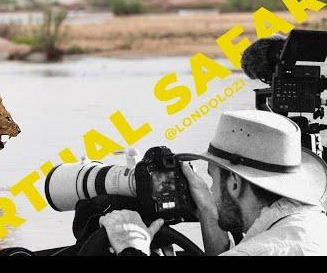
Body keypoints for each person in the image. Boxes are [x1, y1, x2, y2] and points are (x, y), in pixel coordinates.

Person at [100, 110, 327, 256]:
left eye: (212, 178)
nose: (210, 189)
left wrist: (131, 247)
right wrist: (208, 211)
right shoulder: (314, 224)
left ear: (235, 183)